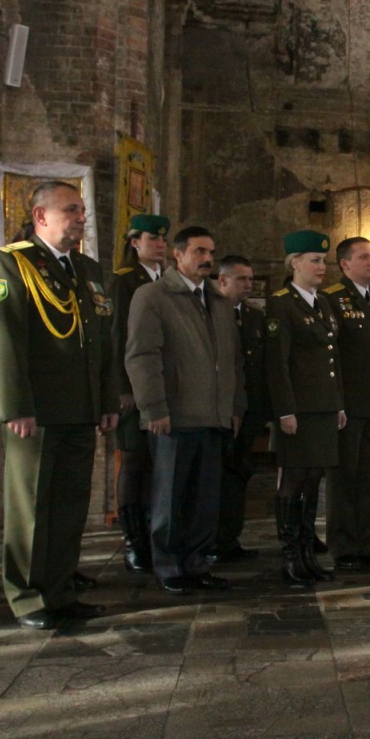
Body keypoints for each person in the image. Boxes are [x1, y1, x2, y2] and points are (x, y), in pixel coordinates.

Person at [0, 181, 117, 629]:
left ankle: (59, 591)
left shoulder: (88, 268)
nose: (81, 218)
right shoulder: (11, 262)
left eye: (82, 210)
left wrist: (106, 399)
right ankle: (27, 597)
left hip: (81, 407)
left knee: (69, 506)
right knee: (32, 507)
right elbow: (4, 336)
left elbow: (102, 341)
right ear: (41, 216)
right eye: (71, 210)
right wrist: (16, 405)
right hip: (37, 411)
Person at [125, 226, 245, 594]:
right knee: (169, 497)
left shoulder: (219, 302)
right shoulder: (153, 296)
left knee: (204, 499)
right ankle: (168, 566)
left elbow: (233, 361)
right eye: (199, 251)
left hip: (214, 415)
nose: (207, 259)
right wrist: (154, 407)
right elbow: (142, 356)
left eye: (210, 252)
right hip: (174, 416)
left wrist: (235, 406)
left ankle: (196, 563)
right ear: (178, 255)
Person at [265, 230, 345, 586]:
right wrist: (285, 410)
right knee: (294, 480)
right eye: (314, 260)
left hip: (323, 408)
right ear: (294, 262)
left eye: (323, 261)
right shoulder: (282, 303)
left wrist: (338, 403)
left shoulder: (323, 302)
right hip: (298, 411)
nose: (321, 267)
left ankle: (307, 553)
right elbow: (277, 363)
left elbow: (333, 358)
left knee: (314, 480)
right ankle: (290, 557)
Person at [322, 237, 370, 570]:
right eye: (364, 257)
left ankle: (364, 541)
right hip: (349, 405)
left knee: (369, 477)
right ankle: (343, 545)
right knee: (345, 478)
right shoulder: (333, 299)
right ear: (345, 264)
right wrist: (336, 402)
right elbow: (332, 357)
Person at [111, 214, 168, 573]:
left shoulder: (167, 280)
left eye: (164, 239)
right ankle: (133, 540)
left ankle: (152, 533)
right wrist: (123, 387)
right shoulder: (124, 281)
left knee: (156, 464)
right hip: (134, 387)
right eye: (152, 238)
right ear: (135, 242)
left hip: (162, 386)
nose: (160, 244)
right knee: (133, 460)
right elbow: (118, 335)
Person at [213, 255, 267, 561]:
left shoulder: (254, 317)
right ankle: (212, 539)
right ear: (223, 280)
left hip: (250, 410)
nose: (248, 285)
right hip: (219, 410)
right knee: (216, 476)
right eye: (242, 279)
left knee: (238, 474)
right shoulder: (210, 312)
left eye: (251, 279)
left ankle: (229, 538)